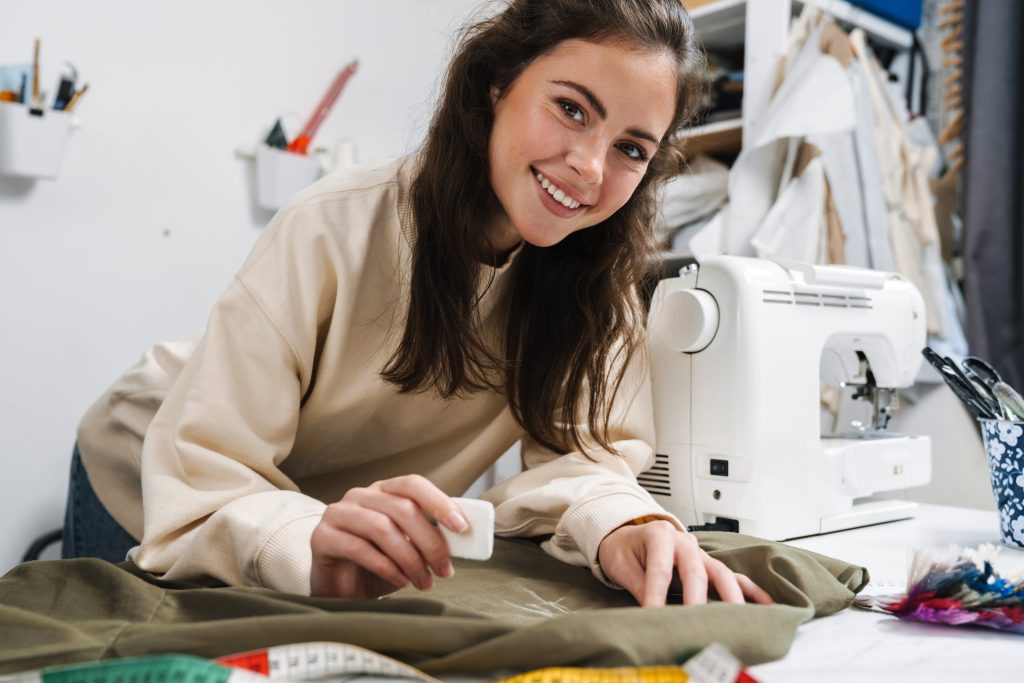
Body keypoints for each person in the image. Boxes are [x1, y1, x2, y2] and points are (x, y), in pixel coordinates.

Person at [66, 0, 773, 609]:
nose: (590, 166)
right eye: (571, 108)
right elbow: (206, 467)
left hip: (318, 526)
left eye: (630, 148)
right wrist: (302, 532)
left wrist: (625, 523)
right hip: (156, 473)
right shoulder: (331, 225)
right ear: (498, 83)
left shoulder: (596, 292)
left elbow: (582, 457)